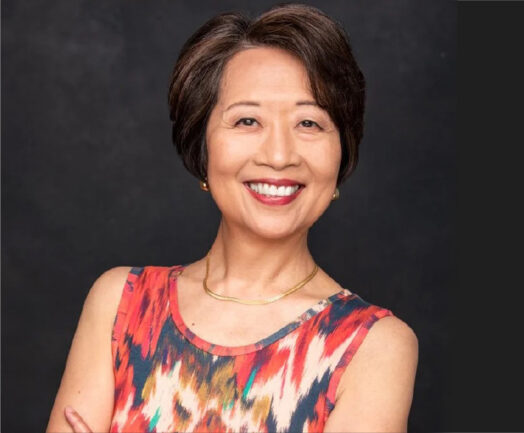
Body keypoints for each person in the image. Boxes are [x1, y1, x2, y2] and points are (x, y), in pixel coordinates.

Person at [45, 4, 418, 432]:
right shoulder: (121, 304)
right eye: (247, 120)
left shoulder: (375, 346)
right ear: (202, 149)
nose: (279, 155)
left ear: (342, 154)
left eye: (309, 123)